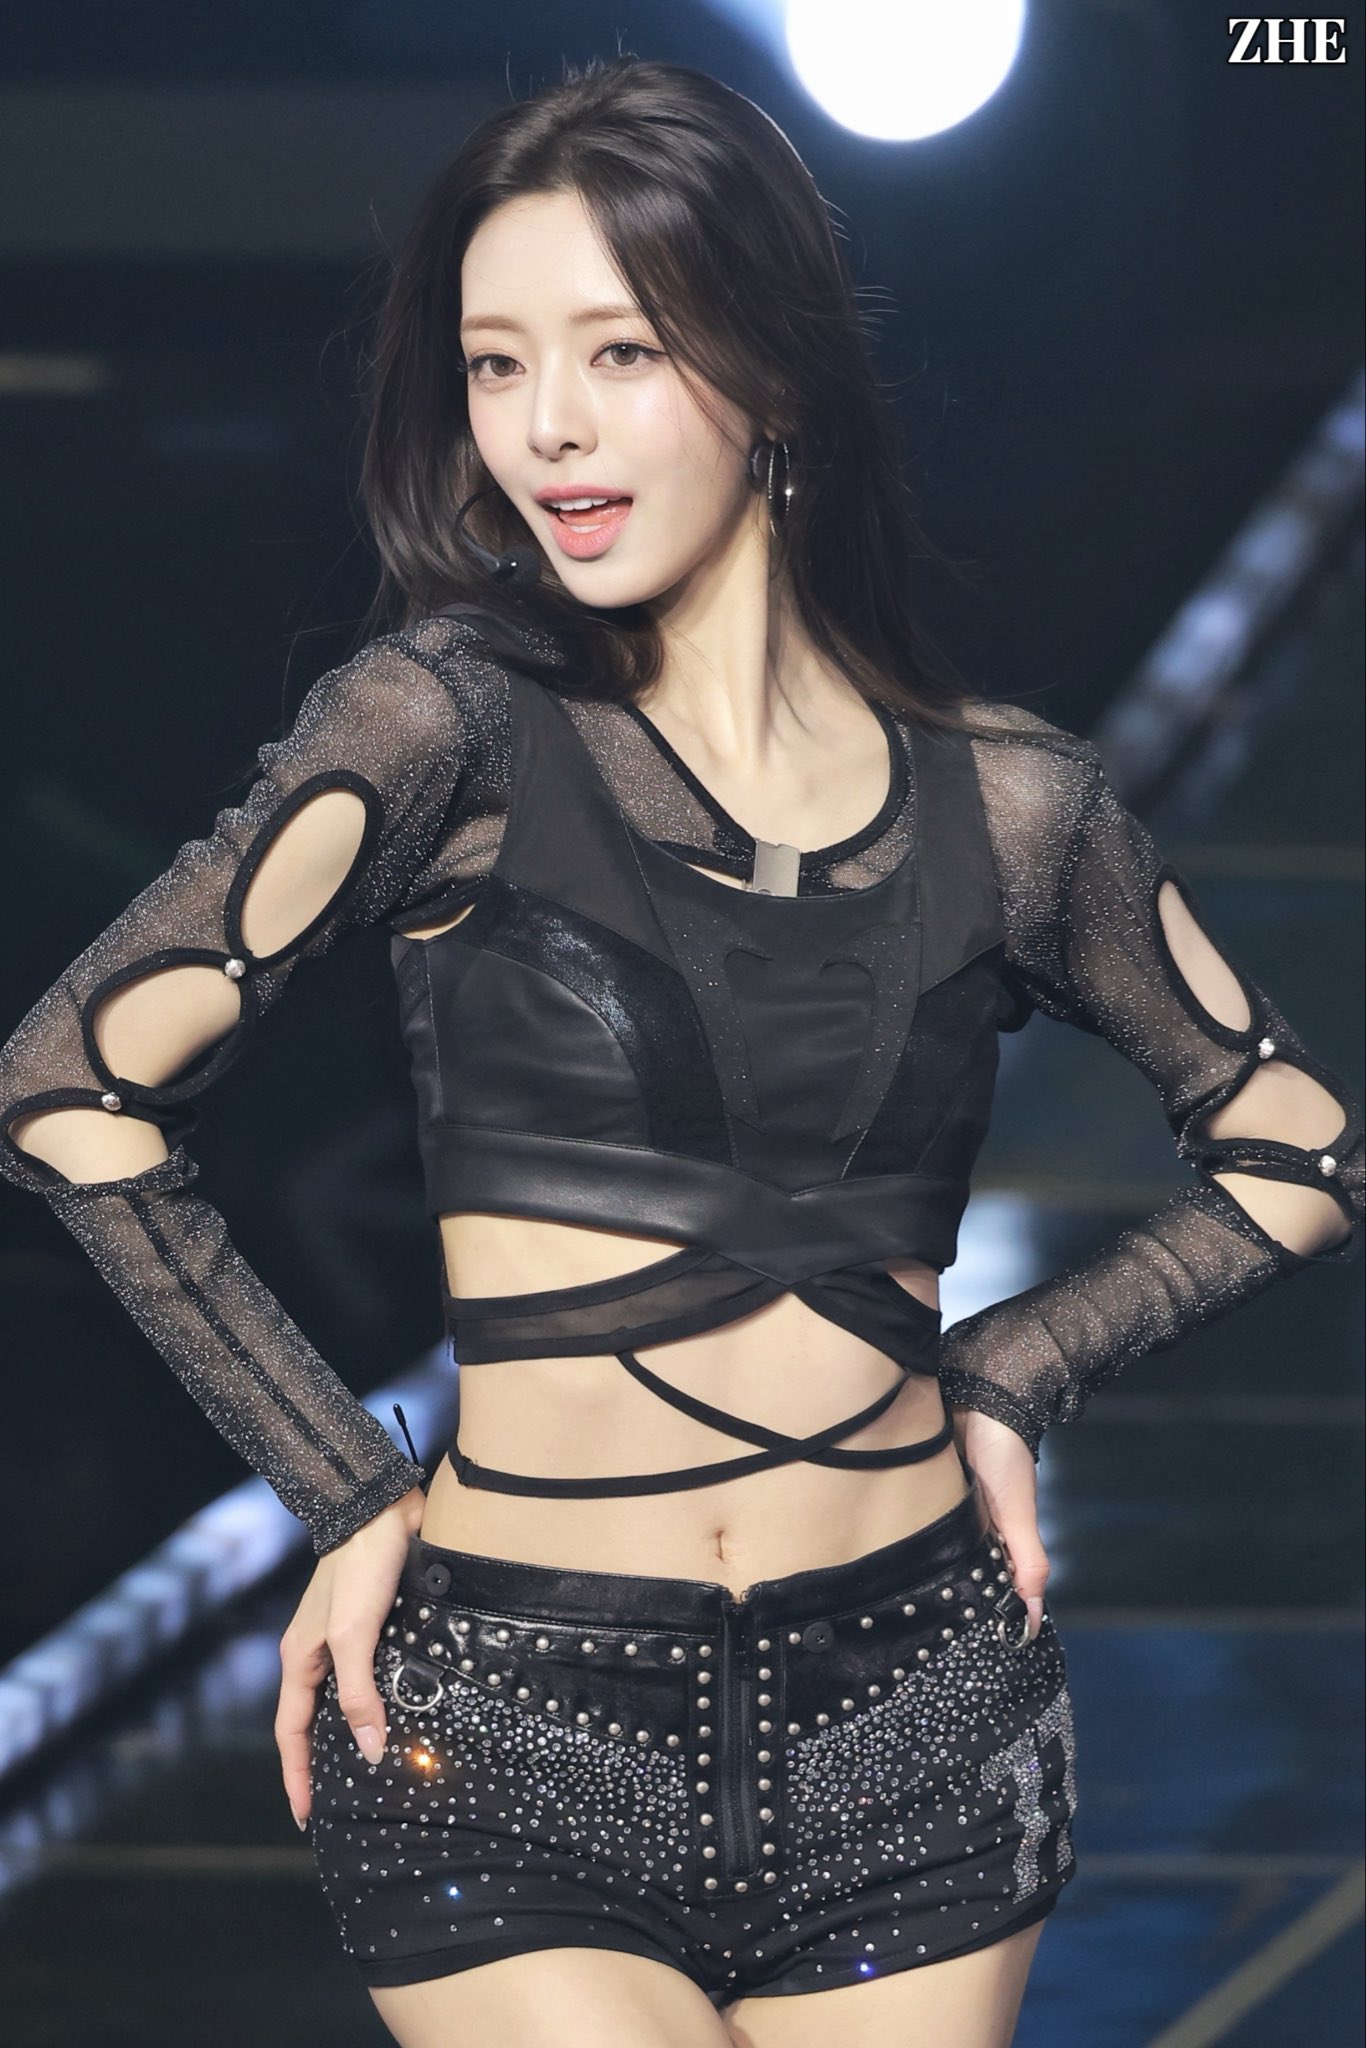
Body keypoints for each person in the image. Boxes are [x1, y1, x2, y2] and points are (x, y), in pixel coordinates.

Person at [1, 55, 1359, 2048]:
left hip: (919, 1720)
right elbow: (68, 1088)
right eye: (493, 364)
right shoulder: (439, 724)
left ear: (772, 371)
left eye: (617, 350)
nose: (543, 423)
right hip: (512, 1723)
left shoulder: (1011, 807)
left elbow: (1300, 1150)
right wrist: (345, 1487)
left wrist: (1012, 1367)